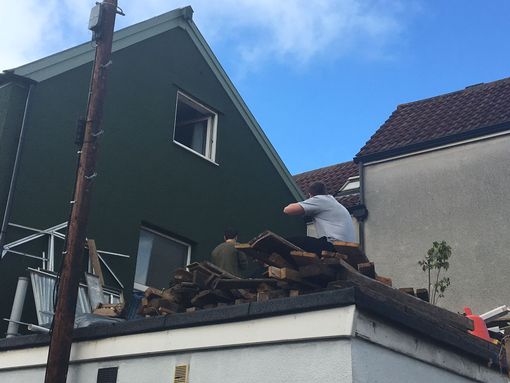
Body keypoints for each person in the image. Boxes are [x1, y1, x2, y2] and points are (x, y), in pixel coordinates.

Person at [283, 181, 356, 254]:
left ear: (310, 195)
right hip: (346, 248)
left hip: (333, 246)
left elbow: (288, 210)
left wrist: (306, 203)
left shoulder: (319, 200)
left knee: (288, 242)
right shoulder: (333, 202)